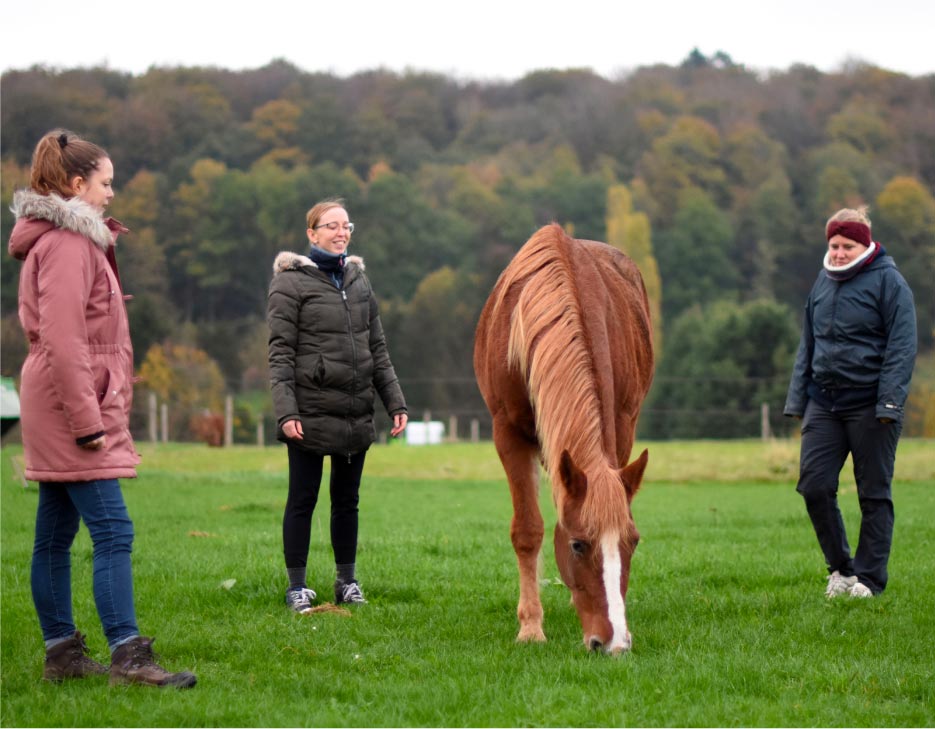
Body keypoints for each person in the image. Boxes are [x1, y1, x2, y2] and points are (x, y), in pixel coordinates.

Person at [8, 129, 196, 688]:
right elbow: (65, 339)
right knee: (113, 530)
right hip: (73, 407)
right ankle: (128, 657)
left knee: (53, 535)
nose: (112, 193)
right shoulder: (67, 244)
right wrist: (89, 422)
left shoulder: (68, 240)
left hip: (60, 400)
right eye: (106, 183)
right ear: (75, 184)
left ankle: (61, 655)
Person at [267, 198, 408, 611]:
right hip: (308, 413)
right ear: (311, 233)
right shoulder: (289, 284)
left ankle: (347, 582)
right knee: (302, 499)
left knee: (347, 501)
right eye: (331, 226)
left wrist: (394, 401)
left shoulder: (359, 281)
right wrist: (287, 411)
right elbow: (280, 354)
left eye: (346, 226)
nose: (341, 232)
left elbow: (377, 348)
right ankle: (297, 587)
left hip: (354, 411)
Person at [784, 206, 917, 599]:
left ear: (865, 244)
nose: (840, 252)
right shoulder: (822, 283)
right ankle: (841, 569)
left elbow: (902, 346)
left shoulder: (890, 282)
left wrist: (889, 405)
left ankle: (870, 581)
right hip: (823, 403)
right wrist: (798, 400)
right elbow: (808, 345)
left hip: (872, 406)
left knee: (873, 493)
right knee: (814, 486)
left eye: (848, 245)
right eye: (834, 245)